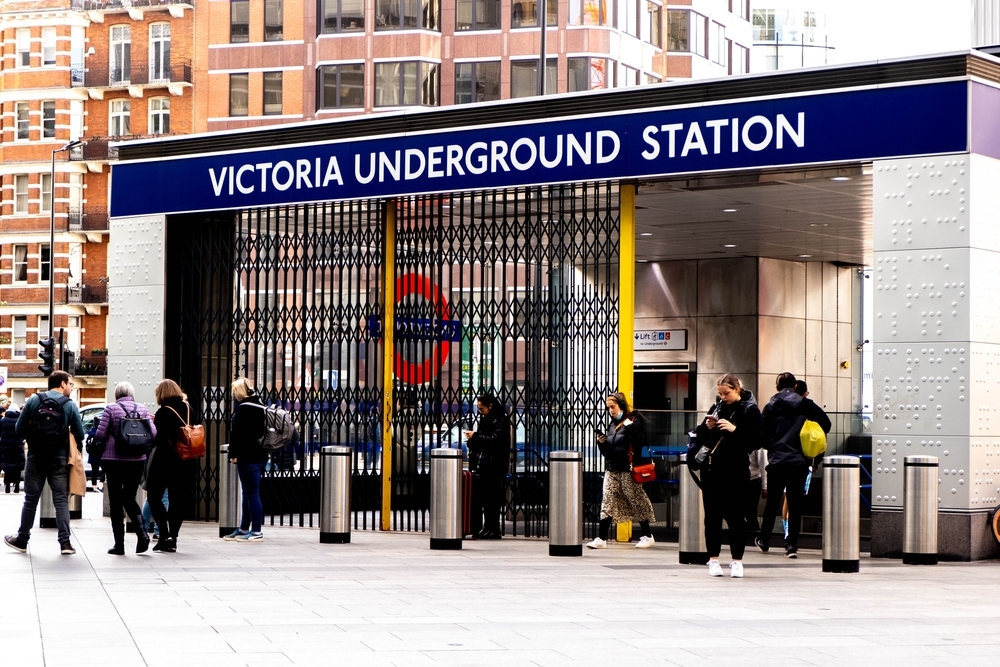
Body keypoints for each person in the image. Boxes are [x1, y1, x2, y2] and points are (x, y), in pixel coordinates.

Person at [4, 371, 85, 555]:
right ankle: (65, 543)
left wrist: (34, 439)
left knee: (31, 499)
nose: (71, 387)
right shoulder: (70, 405)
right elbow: (80, 434)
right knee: (61, 500)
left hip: (36, 457)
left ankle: (22, 540)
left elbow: (19, 428)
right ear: (62, 384)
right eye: (70, 384)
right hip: (59, 458)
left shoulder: (34, 400)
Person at [693, 374, 763, 577]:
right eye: (720, 393)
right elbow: (700, 435)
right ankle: (713, 559)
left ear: (737, 389)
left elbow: (758, 441)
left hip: (736, 470)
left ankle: (737, 561)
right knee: (712, 516)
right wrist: (707, 427)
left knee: (735, 517)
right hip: (712, 469)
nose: (723, 397)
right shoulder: (717, 408)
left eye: (727, 393)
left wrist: (736, 430)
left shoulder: (750, 410)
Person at [757, 372, 831, 558]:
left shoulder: (770, 406)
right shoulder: (805, 404)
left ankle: (764, 540)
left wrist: (772, 445)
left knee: (772, 502)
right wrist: (808, 434)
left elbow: (762, 435)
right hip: (799, 462)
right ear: (795, 386)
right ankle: (791, 545)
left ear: (777, 387)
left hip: (777, 461)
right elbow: (826, 424)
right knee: (795, 504)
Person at [586, 392, 656, 550]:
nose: (611, 410)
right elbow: (610, 453)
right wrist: (602, 443)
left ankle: (648, 535)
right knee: (607, 501)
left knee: (636, 500)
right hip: (612, 469)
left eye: (613, 407)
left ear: (621, 406)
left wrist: (631, 429)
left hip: (628, 470)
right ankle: (601, 538)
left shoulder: (634, 421)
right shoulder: (613, 425)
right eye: (608, 408)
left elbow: (641, 443)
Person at [94, 382, 156, 555]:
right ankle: (142, 533)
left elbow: (100, 434)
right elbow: (153, 433)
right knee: (129, 497)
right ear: (132, 394)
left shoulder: (111, 409)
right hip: (137, 460)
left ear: (117, 394)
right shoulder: (142, 409)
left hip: (113, 459)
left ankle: (119, 545)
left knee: (115, 502)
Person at [145, 379, 196, 553]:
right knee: (177, 500)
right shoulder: (189, 408)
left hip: (165, 460)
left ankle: (164, 533)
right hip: (185, 459)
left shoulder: (163, 412)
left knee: (153, 496)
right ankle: (173, 538)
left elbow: (158, 438)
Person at [463, 394, 511, 539]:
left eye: (482, 408)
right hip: (483, 463)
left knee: (493, 498)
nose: (480, 411)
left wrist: (476, 437)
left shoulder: (501, 420)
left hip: (495, 464)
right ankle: (487, 527)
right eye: (478, 409)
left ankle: (494, 529)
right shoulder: (485, 420)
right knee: (485, 498)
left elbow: (495, 440)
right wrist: (472, 441)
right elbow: (482, 440)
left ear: (490, 405)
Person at [225, 378, 268, 542]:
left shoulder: (243, 408)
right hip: (261, 456)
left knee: (252, 494)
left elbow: (236, 434)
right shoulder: (261, 406)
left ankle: (256, 531)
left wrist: (233, 455)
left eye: (235, 391)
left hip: (247, 456)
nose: (234, 395)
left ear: (240, 392)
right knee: (249, 493)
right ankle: (244, 528)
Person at [1, 403, 26, 494]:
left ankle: (7, 486)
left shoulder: (3, 420)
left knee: (7, 466)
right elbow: (23, 433)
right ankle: (17, 487)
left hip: (5, 447)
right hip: (17, 447)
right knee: (17, 467)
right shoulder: (19, 420)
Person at [746, 446, 768, 533]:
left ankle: (754, 530)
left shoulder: (759, 445)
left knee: (750, 511)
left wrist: (764, 486)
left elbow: (763, 465)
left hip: (754, 479)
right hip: (740, 479)